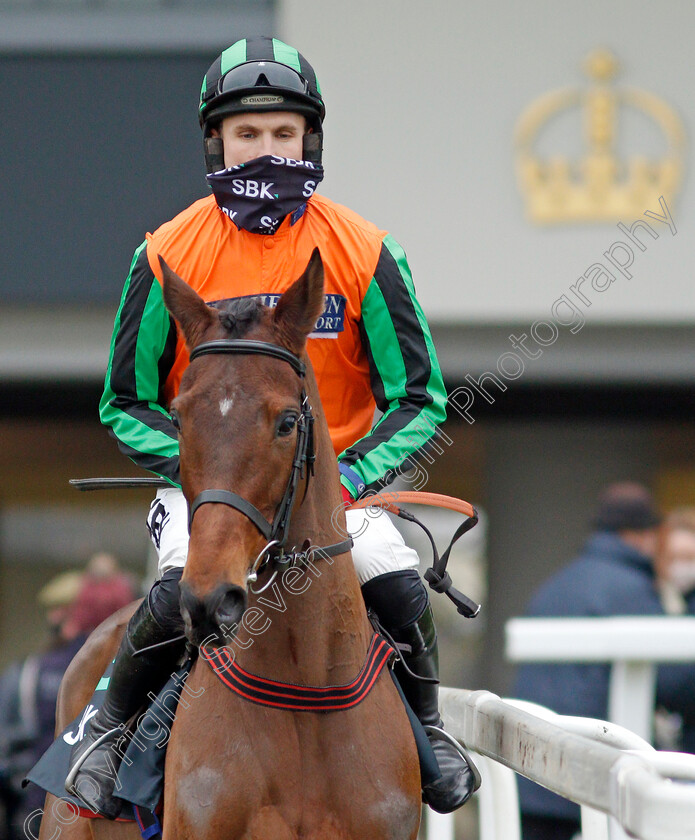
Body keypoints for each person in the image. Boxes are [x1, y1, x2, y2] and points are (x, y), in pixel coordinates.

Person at [65, 36, 478, 819]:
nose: (266, 147)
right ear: (215, 140)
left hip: (339, 489)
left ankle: (429, 730)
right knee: (172, 585)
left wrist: (350, 479)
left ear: (308, 140)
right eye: (248, 133)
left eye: (283, 133)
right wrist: (203, 471)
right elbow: (124, 401)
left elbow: (419, 397)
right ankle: (112, 734)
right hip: (215, 493)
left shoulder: (365, 251)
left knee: (392, 575)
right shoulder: (163, 254)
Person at [512, 482, 666, 840]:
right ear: (639, 535)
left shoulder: (557, 582)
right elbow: (672, 680)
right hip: (582, 775)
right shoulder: (632, 589)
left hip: (530, 767)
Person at [0, 558, 136, 840]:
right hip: (106, 822)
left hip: (34, 817)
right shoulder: (143, 675)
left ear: (76, 614)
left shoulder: (30, 672)